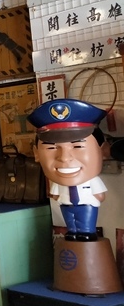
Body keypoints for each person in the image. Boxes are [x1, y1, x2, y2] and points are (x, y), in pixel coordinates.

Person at [28, 99, 108, 242]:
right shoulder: (58, 184)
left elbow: (100, 195)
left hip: (86, 205)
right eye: (51, 147)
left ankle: (87, 232)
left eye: (77, 147)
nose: (64, 158)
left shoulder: (92, 182)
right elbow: (55, 195)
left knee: (85, 220)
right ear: (36, 154)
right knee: (70, 220)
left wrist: (98, 196)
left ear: (103, 151)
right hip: (66, 205)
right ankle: (72, 231)